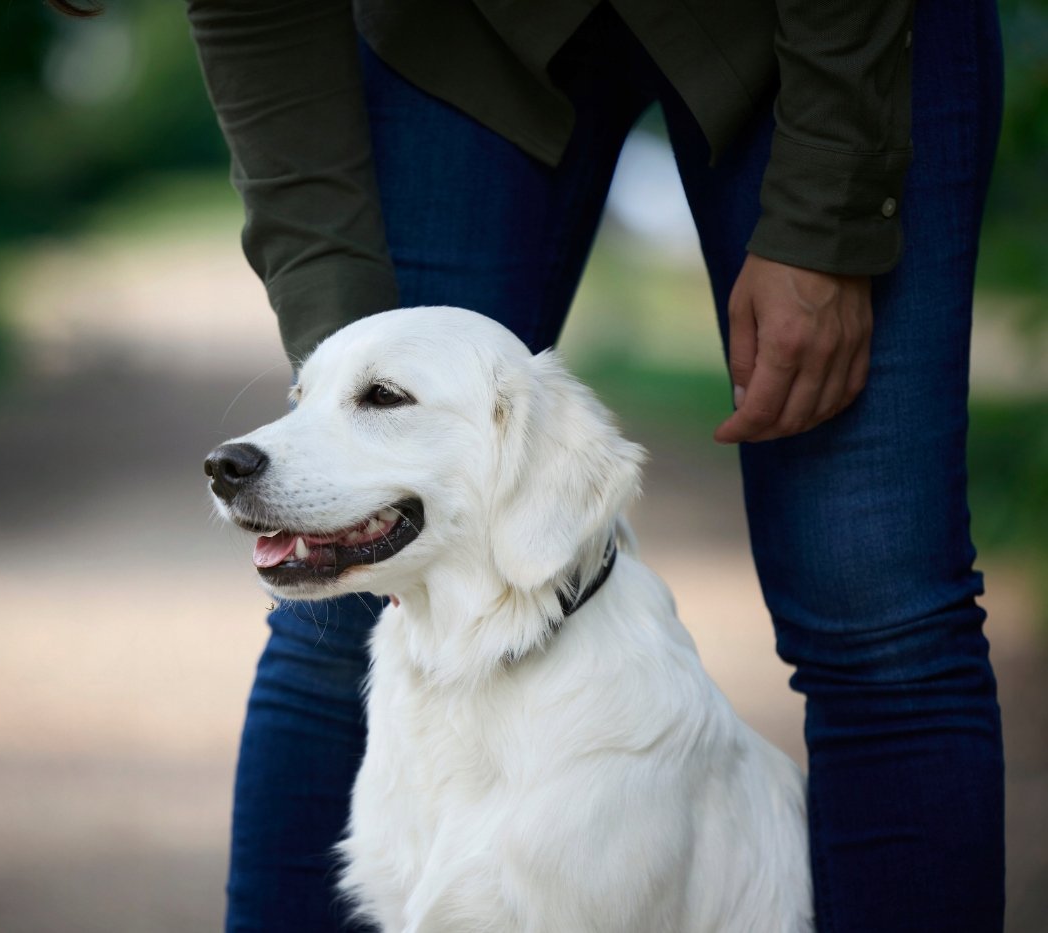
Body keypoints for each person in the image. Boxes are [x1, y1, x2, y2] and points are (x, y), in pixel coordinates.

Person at [177, 1, 1005, 930]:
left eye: (382, 402)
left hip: (815, 34)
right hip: (464, 28)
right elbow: (258, 21)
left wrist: (828, 221)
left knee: (876, 609)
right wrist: (358, 342)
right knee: (325, 640)